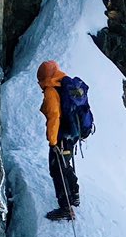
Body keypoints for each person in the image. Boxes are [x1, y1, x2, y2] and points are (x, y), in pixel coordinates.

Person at [36, 59, 92, 221]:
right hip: (72, 134)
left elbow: (54, 116)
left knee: (57, 169)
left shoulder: (52, 91)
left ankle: (65, 207)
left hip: (61, 136)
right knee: (65, 165)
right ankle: (74, 195)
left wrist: (53, 142)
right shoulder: (68, 86)